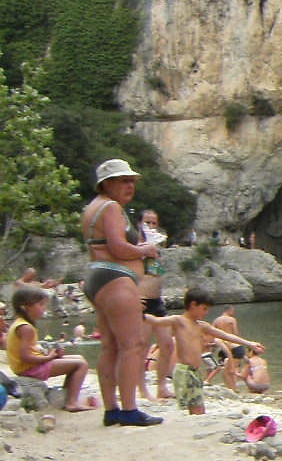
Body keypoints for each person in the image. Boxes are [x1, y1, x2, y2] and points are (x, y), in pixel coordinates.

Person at [80, 159, 163, 426]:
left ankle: (111, 410)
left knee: (110, 346)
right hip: (115, 279)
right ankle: (129, 410)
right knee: (132, 345)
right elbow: (117, 247)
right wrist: (144, 250)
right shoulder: (111, 207)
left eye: (132, 181)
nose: (130, 186)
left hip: (98, 277)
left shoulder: (92, 208)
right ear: (107, 184)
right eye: (124, 181)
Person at [143, 289, 265, 415]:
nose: (206, 312)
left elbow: (226, 335)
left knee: (198, 407)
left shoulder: (201, 326)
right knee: (193, 408)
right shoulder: (178, 321)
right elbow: (155, 321)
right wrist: (139, 310)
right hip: (184, 371)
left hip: (196, 372)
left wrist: (249, 343)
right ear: (193, 304)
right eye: (204, 308)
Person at [7, 287, 93, 411]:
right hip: (29, 369)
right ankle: (72, 402)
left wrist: (50, 355)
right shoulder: (26, 328)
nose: (45, 308)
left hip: (26, 366)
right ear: (26, 307)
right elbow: (25, 357)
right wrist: (49, 357)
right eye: (41, 304)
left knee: (79, 358)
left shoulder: (19, 323)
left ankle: (65, 396)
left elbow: (28, 353)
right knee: (81, 365)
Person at [135, 208, 176, 400]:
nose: (151, 226)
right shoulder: (135, 246)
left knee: (167, 344)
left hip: (157, 300)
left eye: (154, 222)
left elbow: (155, 274)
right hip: (142, 301)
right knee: (142, 346)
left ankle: (162, 386)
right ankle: (142, 389)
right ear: (139, 224)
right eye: (147, 222)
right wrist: (133, 296)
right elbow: (127, 272)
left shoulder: (157, 245)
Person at [213, 306, 245, 390]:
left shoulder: (216, 320)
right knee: (234, 368)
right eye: (233, 311)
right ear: (229, 310)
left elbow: (213, 333)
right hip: (232, 344)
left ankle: (230, 387)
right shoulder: (232, 320)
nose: (233, 313)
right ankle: (233, 388)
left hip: (222, 345)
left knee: (226, 369)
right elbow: (235, 333)